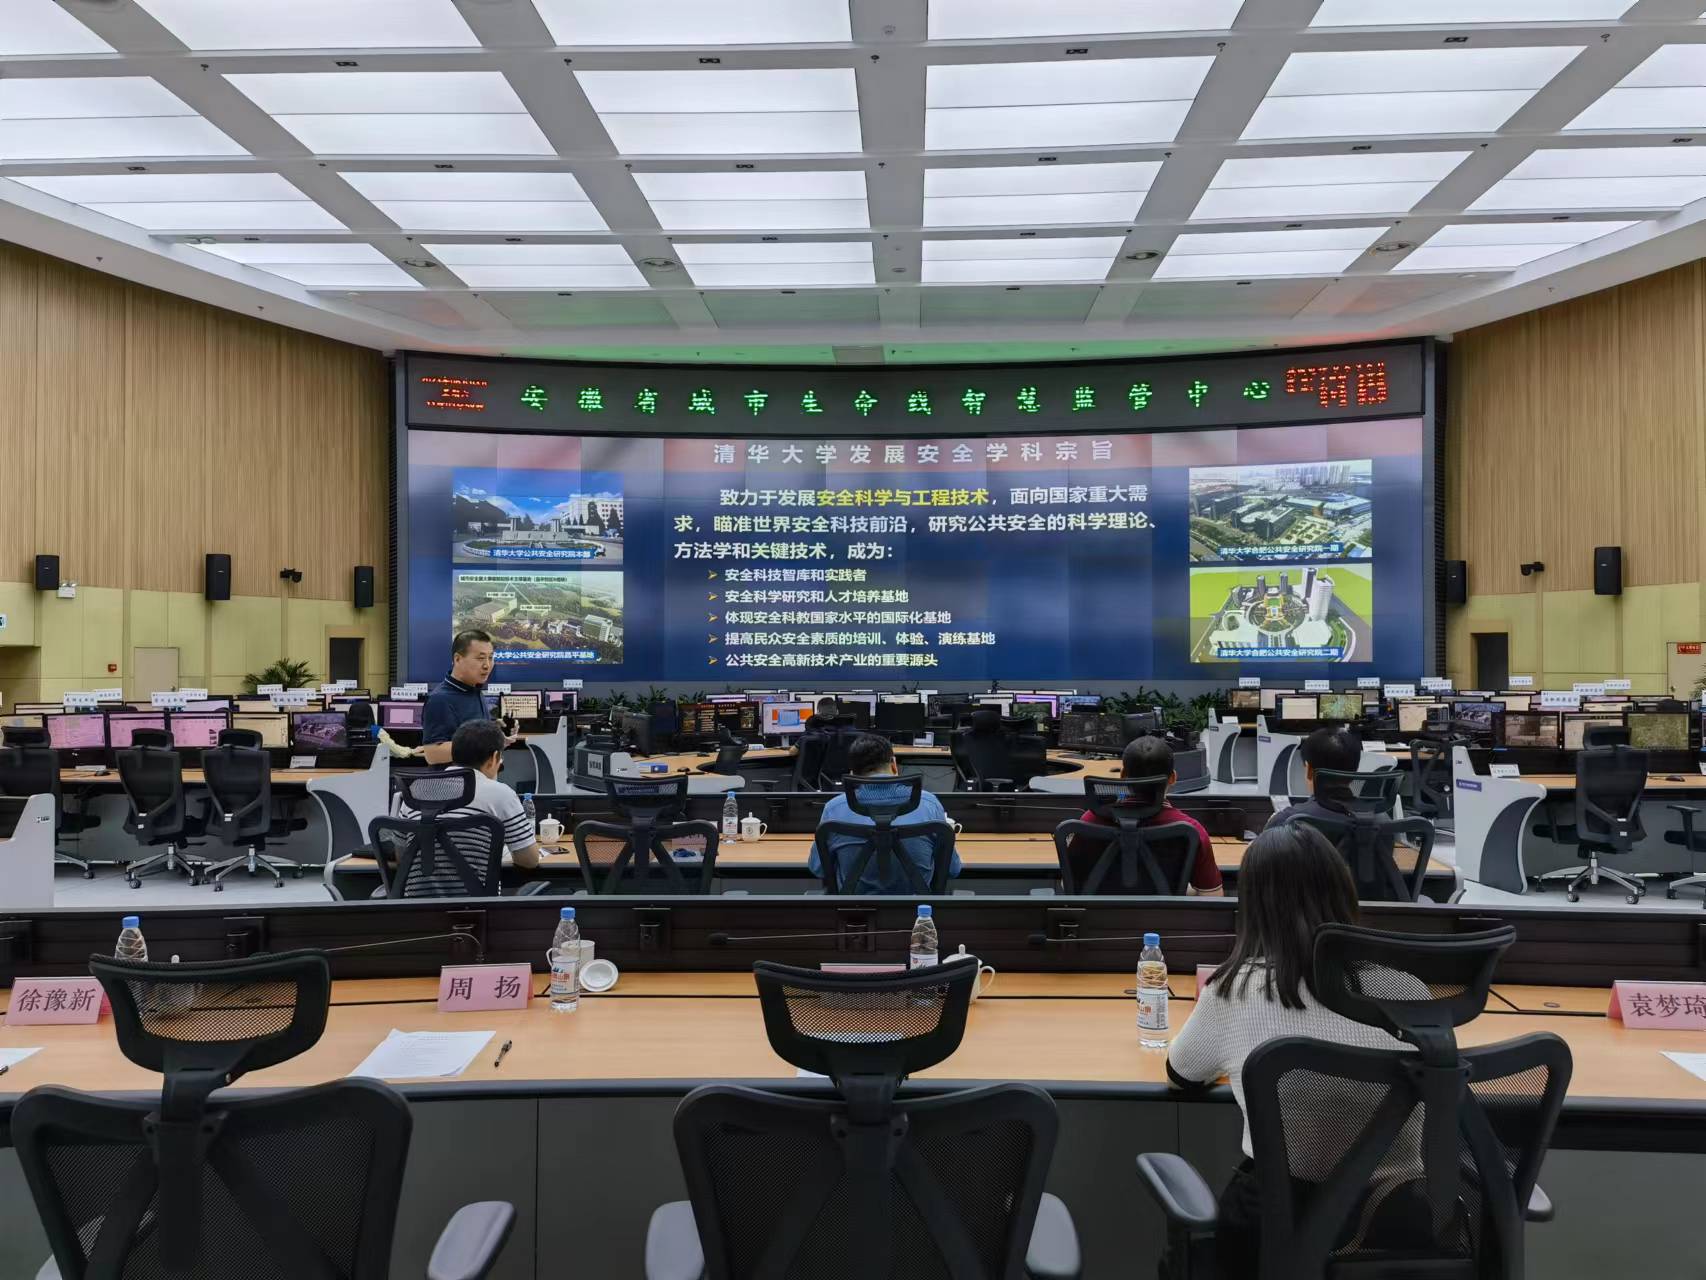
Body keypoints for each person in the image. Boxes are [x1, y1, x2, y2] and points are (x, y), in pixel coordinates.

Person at [1165, 824, 1420, 1274]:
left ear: (1252, 906)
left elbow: (1181, 1073)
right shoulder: (1409, 991)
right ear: (1343, 891)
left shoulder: (1233, 991)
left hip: (1274, 1230)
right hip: (1395, 1227)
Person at [394, 719, 542, 895]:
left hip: (418, 907)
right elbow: (529, 861)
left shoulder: (415, 791)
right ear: (494, 757)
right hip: (475, 907)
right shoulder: (501, 794)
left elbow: (402, 856)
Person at [1064, 736, 1224, 895]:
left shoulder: (1089, 821)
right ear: (1173, 778)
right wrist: (1180, 891)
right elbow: (1212, 897)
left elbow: (1068, 884)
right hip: (1166, 913)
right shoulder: (1191, 831)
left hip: (1100, 912)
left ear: (1123, 774)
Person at [810, 733, 961, 893]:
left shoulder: (834, 809)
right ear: (894, 765)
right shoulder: (929, 804)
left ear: (852, 773)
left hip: (855, 908)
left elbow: (818, 868)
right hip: (917, 908)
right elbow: (952, 869)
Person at [421, 629, 506, 766]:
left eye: (490, 658)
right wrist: (486, 742)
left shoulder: (474, 690)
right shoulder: (440, 699)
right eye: (480, 658)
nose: (487, 665)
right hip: (458, 779)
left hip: (481, 776)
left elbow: (473, 733)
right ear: (457, 659)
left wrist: (497, 734)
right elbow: (433, 754)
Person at [1263, 725, 1363, 832]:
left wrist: (1271, 826)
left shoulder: (1285, 821)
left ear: (1309, 770)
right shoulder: (1374, 817)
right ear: (1354, 772)